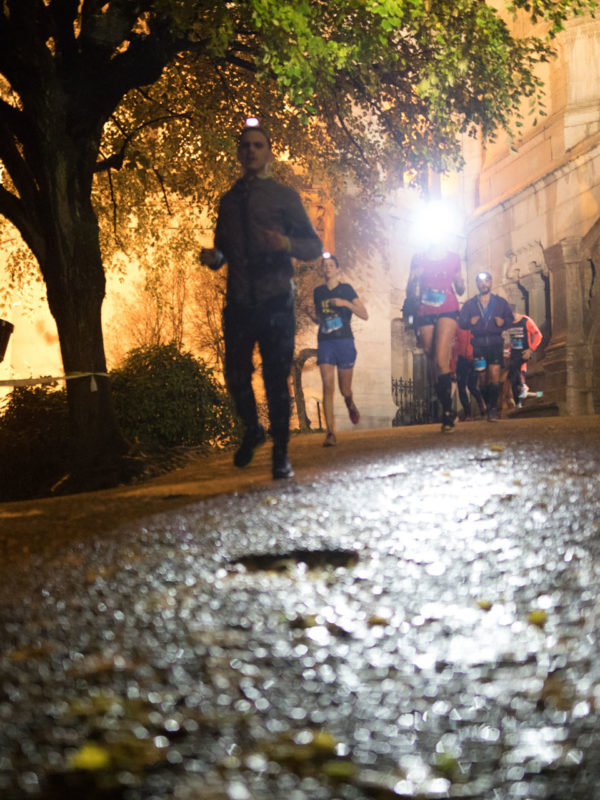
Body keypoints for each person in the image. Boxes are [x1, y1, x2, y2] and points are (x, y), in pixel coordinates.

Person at [200, 124, 322, 479]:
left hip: (275, 300)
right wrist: (215, 258)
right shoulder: (228, 200)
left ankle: (281, 454)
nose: (251, 151)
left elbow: (313, 247)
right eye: (246, 146)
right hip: (239, 300)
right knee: (235, 375)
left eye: (258, 145)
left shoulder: (284, 197)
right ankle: (252, 429)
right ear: (239, 154)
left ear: (269, 152)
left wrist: (285, 244)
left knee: (274, 378)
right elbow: (224, 248)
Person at [306, 253, 368, 446]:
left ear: (338, 269)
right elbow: (319, 319)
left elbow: (364, 315)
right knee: (328, 387)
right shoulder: (318, 292)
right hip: (325, 342)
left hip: (344, 342)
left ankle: (350, 403)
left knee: (344, 389)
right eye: (324, 265)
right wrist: (310, 315)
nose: (327, 267)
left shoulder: (346, 290)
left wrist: (345, 303)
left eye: (331, 264)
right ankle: (330, 433)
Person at [405, 244, 465, 433]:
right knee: (433, 358)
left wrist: (460, 281)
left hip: (447, 308)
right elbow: (409, 290)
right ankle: (448, 404)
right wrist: (414, 278)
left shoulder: (453, 257)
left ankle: (447, 412)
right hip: (425, 310)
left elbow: (461, 289)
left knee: (440, 360)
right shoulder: (418, 257)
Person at [458, 271, 514, 421]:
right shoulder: (470, 304)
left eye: (486, 281)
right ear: (477, 284)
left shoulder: (500, 302)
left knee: (494, 375)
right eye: (481, 282)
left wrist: (503, 323)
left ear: (491, 282)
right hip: (478, 345)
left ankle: (492, 409)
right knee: (482, 378)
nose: (484, 284)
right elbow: (461, 322)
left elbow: (510, 318)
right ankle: (487, 403)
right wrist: (470, 322)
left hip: (496, 343)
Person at [504, 311, 543, 406]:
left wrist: (531, 349)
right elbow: (513, 340)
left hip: (524, 353)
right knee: (513, 379)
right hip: (514, 354)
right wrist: (508, 351)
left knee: (514, 368)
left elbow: (538, 336)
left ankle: (523, 387)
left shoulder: (526, 321)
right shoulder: (510, 323)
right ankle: (519, 403)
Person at [451, 324, 486, 420]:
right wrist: (453, 366)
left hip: (473, 358)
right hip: (462, 360)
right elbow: (453, 347)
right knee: (461, 387)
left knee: (472, 386)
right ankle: (468, 414)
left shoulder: (476, 326)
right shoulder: (457, 327)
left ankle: (481, 405)